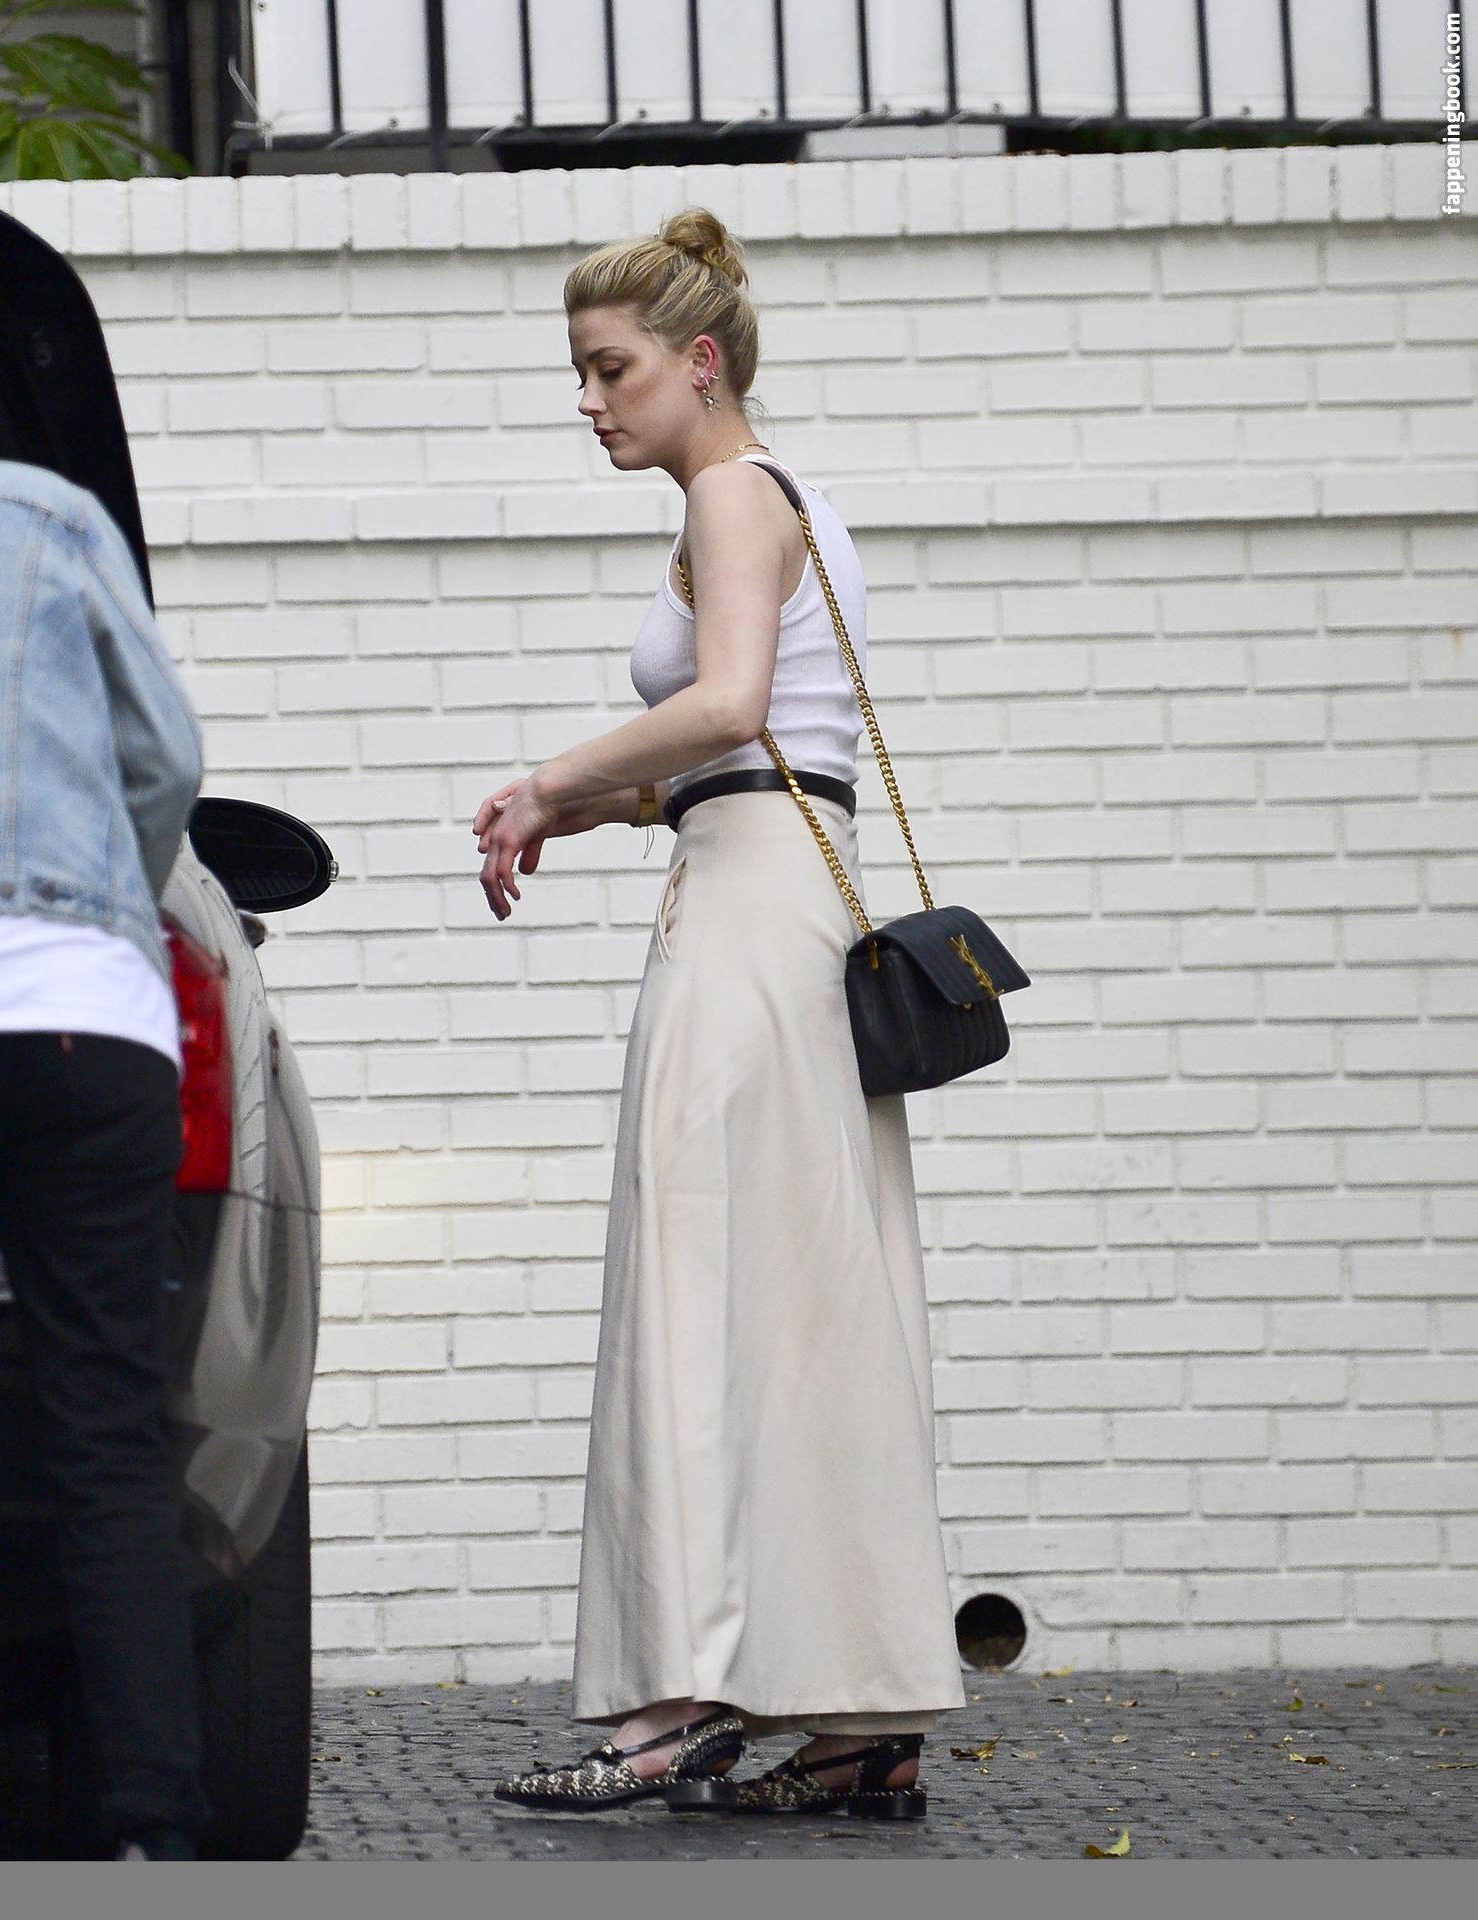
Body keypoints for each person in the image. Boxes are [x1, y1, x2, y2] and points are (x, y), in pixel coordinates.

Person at [474, 210, 968, 1821]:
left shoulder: (731, 493)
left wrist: (545, 777)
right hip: (789, 897)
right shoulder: (787, 495)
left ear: (699, 361)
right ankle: (859, 1718)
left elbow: (731, 703)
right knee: (809, 1315)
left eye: (609, 369)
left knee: (693, 1295)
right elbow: (762, 749)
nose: (590, 400)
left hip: (749, 926)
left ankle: (675, 1704)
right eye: (579, 373)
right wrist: (599, 809)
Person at [0, 340, 208, 1859]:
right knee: (109, 1438)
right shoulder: (45, 512)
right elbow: (166, 759)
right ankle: (151, 1835)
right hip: (93, 1023)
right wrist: (94, 916)